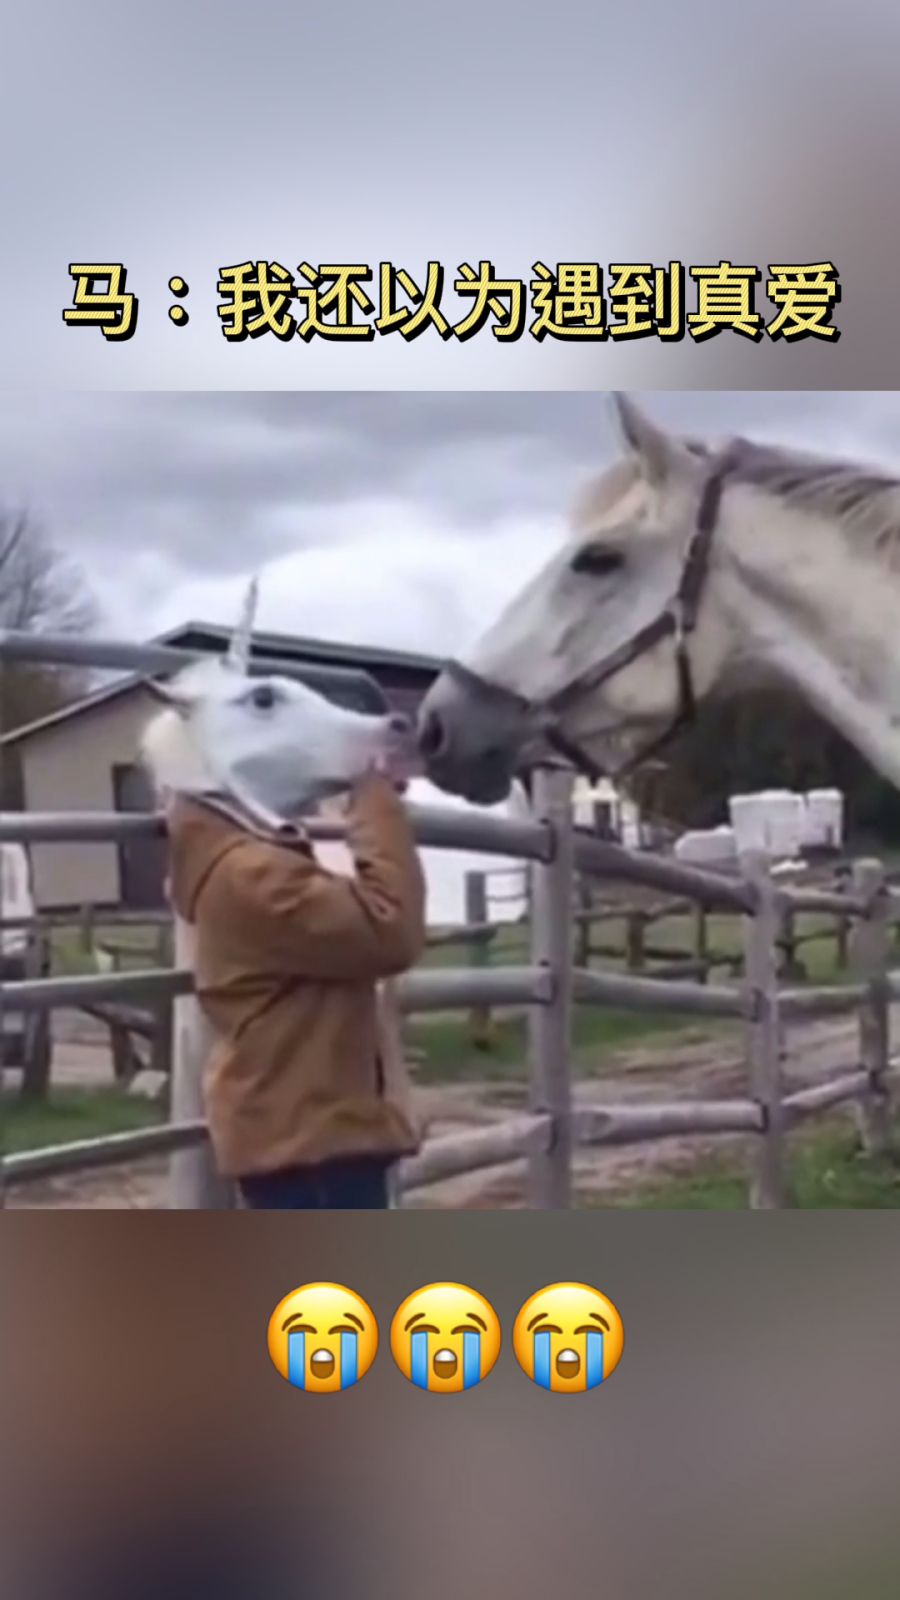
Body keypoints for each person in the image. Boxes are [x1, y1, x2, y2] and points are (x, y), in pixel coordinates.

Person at [165, 770, 425, 1210]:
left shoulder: (244, 863)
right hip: (313, 1142)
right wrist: (372, 796)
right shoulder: (253, 875)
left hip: (306, 1132)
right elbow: (391, 928)